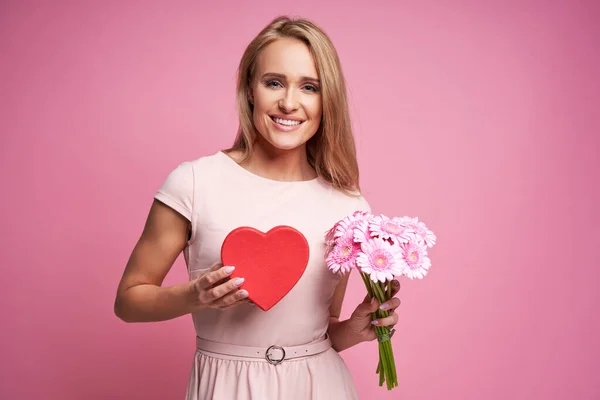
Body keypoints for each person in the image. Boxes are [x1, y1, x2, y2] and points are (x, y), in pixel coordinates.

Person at [114, 15, 401, 400]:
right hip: (224, 387)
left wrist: (356, 328)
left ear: (326, 99)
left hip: (322, 386)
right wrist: (193, 295)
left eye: (309, 87)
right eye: (274, 82)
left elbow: (322, 329)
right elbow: (128, 301)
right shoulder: (194, 182)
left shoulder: (348, 205)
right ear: (250, 89)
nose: (288, 102)